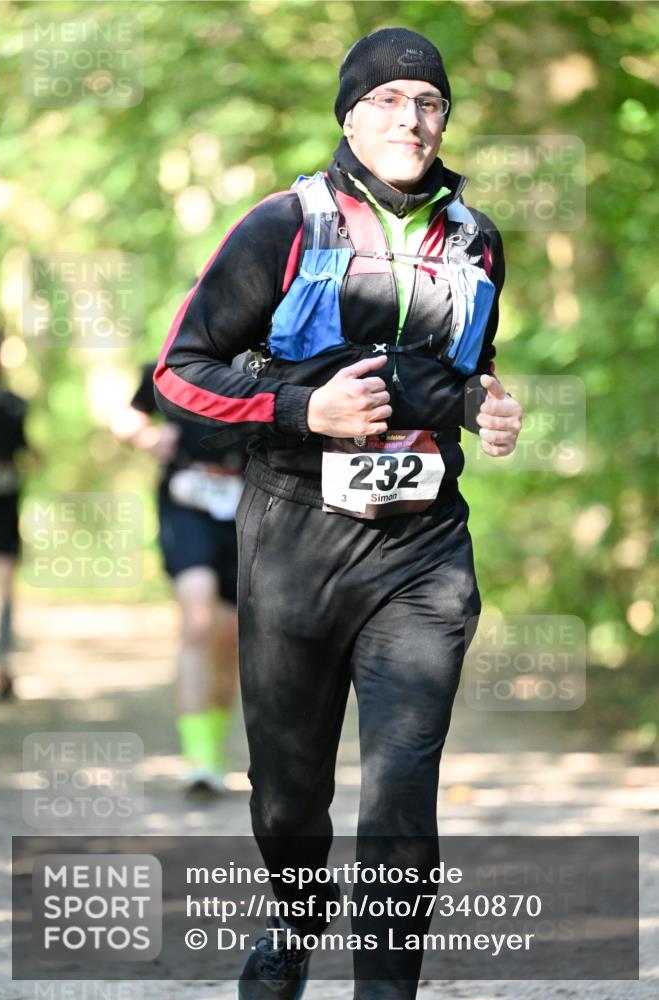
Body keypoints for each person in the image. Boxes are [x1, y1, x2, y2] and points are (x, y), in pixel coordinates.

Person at [154, 27, 523, 999]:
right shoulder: (281, 226)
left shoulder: (476, 239)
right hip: (293, 542)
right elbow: (178, 376)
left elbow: (465, 370)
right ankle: (293, 916)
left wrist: (484, 403)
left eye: (429, 102)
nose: (412, 119)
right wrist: (299, 408)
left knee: (401, 790)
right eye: (388, 101)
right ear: (350, 118)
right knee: (289, 798)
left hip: (422, 551)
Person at [112, 362, 245, 793]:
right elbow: (126, 419)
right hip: (185, 506)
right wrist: (148, 437)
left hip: (244, 510)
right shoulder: (170, 364)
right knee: (197, 621)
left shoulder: (266, 363)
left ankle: (213, 745)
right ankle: (198, 759)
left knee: (229, 641)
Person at [0, 329, 30, 701]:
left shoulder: (14, 404)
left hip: (4, 506)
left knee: (4, 589)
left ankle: (2, 665)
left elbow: (24, 451)